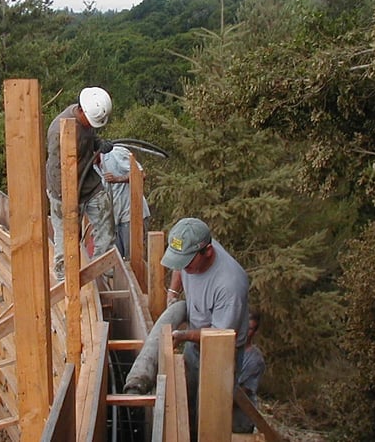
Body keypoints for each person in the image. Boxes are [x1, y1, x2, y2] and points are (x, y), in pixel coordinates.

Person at [162, 217, 250, 434]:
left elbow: (219, 336)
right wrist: (173, 292)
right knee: (188, 401)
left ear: (208, 252)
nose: (184, 267)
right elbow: (179, 266)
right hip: (194, 343)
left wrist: (182, 336)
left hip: (221, 355)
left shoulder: (230, 285)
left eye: (188, 262)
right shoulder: (192, 249)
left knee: (210, 415)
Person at [46, 86, 116, 281]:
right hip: (63, 190)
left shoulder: (86, 117)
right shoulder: (58, 131)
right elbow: (56, 169)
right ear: (82, 111)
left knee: (105, 221)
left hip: (88, 182)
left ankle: (101, 271)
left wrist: (99, 145)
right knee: (66, 238)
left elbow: (91, 139)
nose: (93, 125)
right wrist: (68, 202)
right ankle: (64, 281)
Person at [95, 145, 151, 259]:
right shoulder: (94, 167)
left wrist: (117, 179)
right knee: (118, 261)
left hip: (131, 215)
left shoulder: (115, 153)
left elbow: (140, 174)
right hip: (114, 219)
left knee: (134, 259)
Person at [233, 312, 267, 433]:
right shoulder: (228, 349)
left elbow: (241, 394)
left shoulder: (255, 360)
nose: (246, 332)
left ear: (255, 332)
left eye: (251, 328)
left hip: (240, 420)